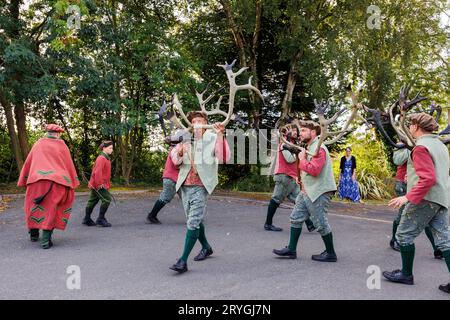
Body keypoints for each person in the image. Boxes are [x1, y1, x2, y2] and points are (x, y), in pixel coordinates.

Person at [383, 113, 450, 294]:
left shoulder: (420, 147)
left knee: (403, 235)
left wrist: (408, 197)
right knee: (445, 241)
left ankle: (406, 274)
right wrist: (411, 175)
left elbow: (428, 178)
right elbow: (436, 171)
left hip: (424, 199)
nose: (409, 127)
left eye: (411, 124)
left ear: (416, 126)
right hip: (441, 198)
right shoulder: (440, 145)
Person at [169, 111, 230, 274]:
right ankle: (207, 247)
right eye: (194, 121)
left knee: (193, 222)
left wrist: (220, 135)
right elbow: (174, 159)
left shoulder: (212, 136)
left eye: (200, 121)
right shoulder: (185, 137)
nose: (197, 124)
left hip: (201, 186)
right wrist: (180, 151)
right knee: (194, 220)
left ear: (206, 123)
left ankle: (182, 261)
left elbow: (224, 157)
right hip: (184, 186)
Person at [273, 120, 338, 262]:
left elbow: (314, 170)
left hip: (319, 192)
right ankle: (291, 249)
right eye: (300, 130)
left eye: (303, 130)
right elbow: (307, 169)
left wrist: (301, 159)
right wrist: (300, 178)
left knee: (320, 223)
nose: (300, 133)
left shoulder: (319, 149)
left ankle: (331, 253)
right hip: (307, 190)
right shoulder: (309, 147)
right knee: (296, 217)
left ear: (313, 132)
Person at [17, 124, 79, 249]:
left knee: (33, 205)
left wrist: (24, 179)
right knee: (52, 208)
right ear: (57, 134)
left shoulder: (38, 143)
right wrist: (73, 181)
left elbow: (29, 162)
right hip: (56, 182)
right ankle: (45, 241)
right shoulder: (62, 145)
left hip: (36, 180)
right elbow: (68, 164)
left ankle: (34, 234)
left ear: (47, 132)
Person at [390, 147, 442, 259]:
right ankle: (395, 240)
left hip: (418, 183)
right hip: (403, 184)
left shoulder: (424, 144)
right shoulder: (400, 146)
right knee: (403, 214)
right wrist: (411, 147)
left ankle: (437, 248)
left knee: (426, 216)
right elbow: (397, 161)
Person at [264, 125, 315, 232]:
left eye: (297, 131)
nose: (296, 133)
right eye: (294, 131)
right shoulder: (284, 145)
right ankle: (268, 224)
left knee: (299, 201)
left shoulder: (292, 145)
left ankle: (310, 224)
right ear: (287, 133)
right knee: (276, 199)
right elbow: (289, 159)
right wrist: (299, 154)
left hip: (291, 178)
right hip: (284, 177)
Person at [82, 141, 114, 227]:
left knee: (92, 201)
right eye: (110, 148)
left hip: (96, 183)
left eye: (112, 148)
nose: (112, 150)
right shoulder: (102, 158)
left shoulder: (104, 157)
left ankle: (87, 219)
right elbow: (97, 172)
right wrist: (100, 183)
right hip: (99, 184)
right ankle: (100, 219)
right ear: (104, 148)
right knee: (107, 199)